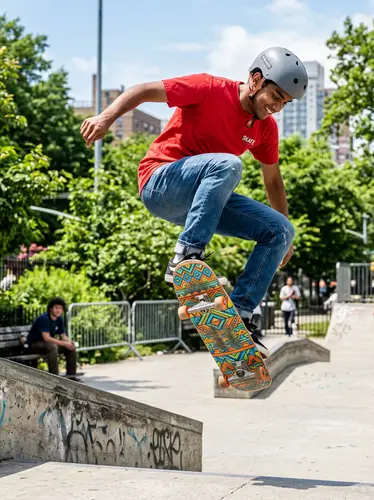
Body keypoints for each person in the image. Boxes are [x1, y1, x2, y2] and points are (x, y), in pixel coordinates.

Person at [80, 47, 309, 359]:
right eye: (276, 96)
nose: (277, 108)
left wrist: (287, 240)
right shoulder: (209, 88)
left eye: (285, 102)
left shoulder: (265, 129)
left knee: (280, 231)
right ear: (256, 80)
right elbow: (144, 90)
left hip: (203, 204)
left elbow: (273, 181)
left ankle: (239, 317)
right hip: (160, 183)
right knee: (228, 165)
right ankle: (185, 256)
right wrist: (106, 117)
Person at [27, 297, 79, 380]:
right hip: (34, 345)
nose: (58, 310)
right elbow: (46, 338)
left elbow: (63, 336)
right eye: (56, 308)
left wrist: (70, 343)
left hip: (47, 345)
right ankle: (54, 378)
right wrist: (64, 343)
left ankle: (72, 377)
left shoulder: (59, 319)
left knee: (71, 348)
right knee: (53, 347)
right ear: (51, 309)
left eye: (60, 308)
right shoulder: (44, 319)